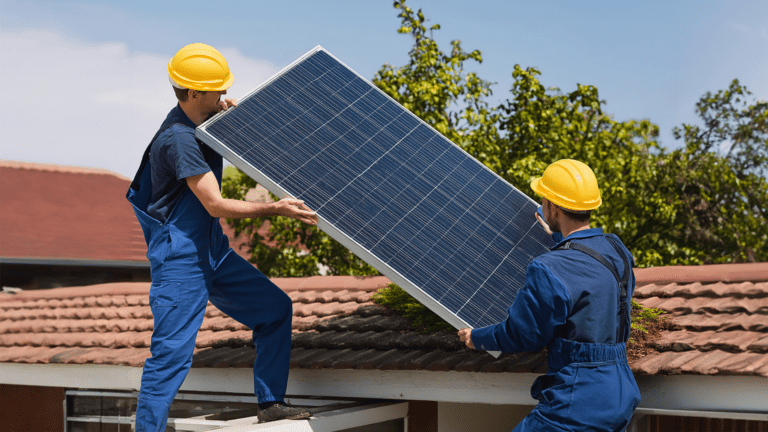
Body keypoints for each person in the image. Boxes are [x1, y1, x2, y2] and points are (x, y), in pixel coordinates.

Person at [127, 43, 318, 431]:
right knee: (171, 358)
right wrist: (274, 207)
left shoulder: (201, 120)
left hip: (211, 252)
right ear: (193, 93)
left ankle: (271, 402)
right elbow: (213, 204)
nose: (224, 95)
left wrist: (231, 119)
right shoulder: (178, 138)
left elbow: (220, 129)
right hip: (181, 259)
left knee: (275, 309)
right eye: (216, 90)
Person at [458, 159, 641, 431]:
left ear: (553, 208)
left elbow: (524, 334)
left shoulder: (549, 268)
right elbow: (589, 269)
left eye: (544, 200)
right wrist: (561, 239)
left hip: (578, 400)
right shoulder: (617, 250)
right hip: (620, 391)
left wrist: (477, 337)